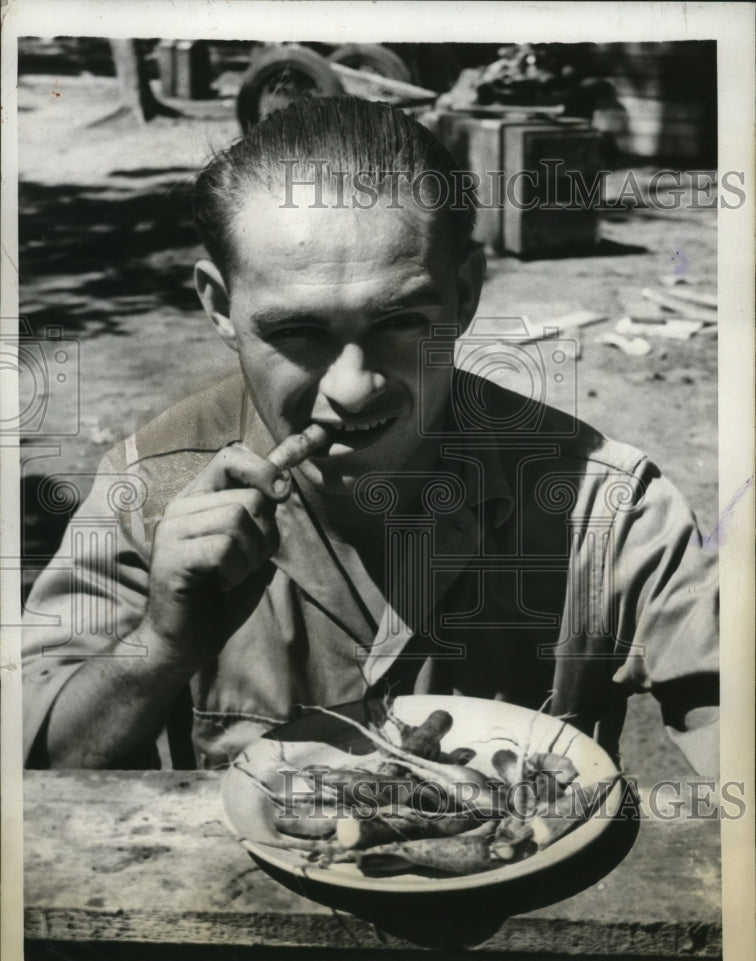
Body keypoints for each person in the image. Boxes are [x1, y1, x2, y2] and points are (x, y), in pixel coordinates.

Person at [22, 96, 718, 776]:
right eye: (297, 332)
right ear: (218, 305)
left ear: (466, 295)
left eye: (399, 323)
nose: (353, 388)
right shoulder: (147, 491)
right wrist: (164, 644)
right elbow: (38, 771)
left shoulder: (609, 510)